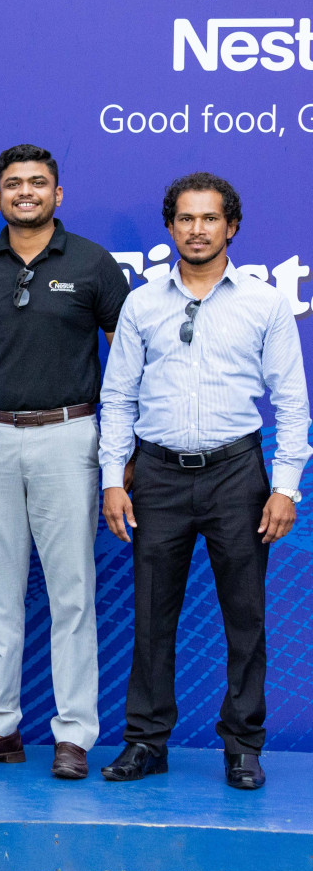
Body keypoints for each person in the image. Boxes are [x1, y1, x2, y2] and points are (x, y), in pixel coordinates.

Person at [99, 172, 308, 790]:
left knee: (245, 618)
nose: (197, 229)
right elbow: (118, 397)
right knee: (151, 616)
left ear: (231, 227)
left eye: (210, 218)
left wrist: (286, 486)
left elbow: (292, 403)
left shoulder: (265, 304)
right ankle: (146, 741)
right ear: (170, 228)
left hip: (238, 476)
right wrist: (115, 478)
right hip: (158, 477)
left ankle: (243, 745)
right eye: (186, 219)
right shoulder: (142, 304)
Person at [0, 145, 130, 781]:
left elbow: (128, 358)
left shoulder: (93, 265)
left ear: (58, 193)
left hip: (68, 436)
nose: (27, 192)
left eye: (39, 183)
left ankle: (73, 734)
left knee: (71, 594)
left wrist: (119, 452)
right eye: (14, 184)